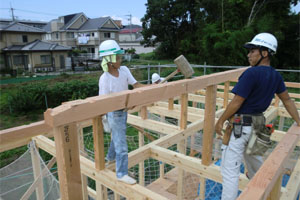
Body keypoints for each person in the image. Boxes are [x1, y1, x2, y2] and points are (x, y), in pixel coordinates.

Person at [215, 33, 300, 200]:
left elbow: (236, 102)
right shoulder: (276, 76)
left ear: (265, 53)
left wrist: (221, 120)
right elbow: (287, 100)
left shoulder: (251, 74)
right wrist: (298, 121)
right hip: (259, 126)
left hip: (241, 127)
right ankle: (263, 195)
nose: (249, 55)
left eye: (252, 51)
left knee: (229, 172)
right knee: (256, 166)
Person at [98, 40, 144, 184]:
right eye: (117, 57)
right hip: (114, 113)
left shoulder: (124, 70)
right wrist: (104, 117)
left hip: (123, 111)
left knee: (117, 137)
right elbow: (103, 101)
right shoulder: (105, 79)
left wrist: (152, 88)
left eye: (119, 57)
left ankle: (110, 158)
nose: (120, 60)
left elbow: (136, 86)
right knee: (122, 146)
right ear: (109, 60)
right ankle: (121, 173)